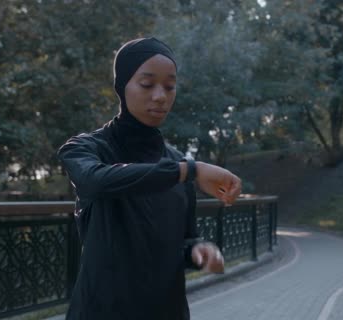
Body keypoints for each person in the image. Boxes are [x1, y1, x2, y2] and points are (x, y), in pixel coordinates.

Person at [57, 37, 242, 320]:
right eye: (147, 84)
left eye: (169, 86)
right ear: (122, 86)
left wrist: (199, 251)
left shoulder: (178, 160)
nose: (160, 96)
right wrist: (188, 171)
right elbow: (95, 180)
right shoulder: (86, 148)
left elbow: (184, 241)